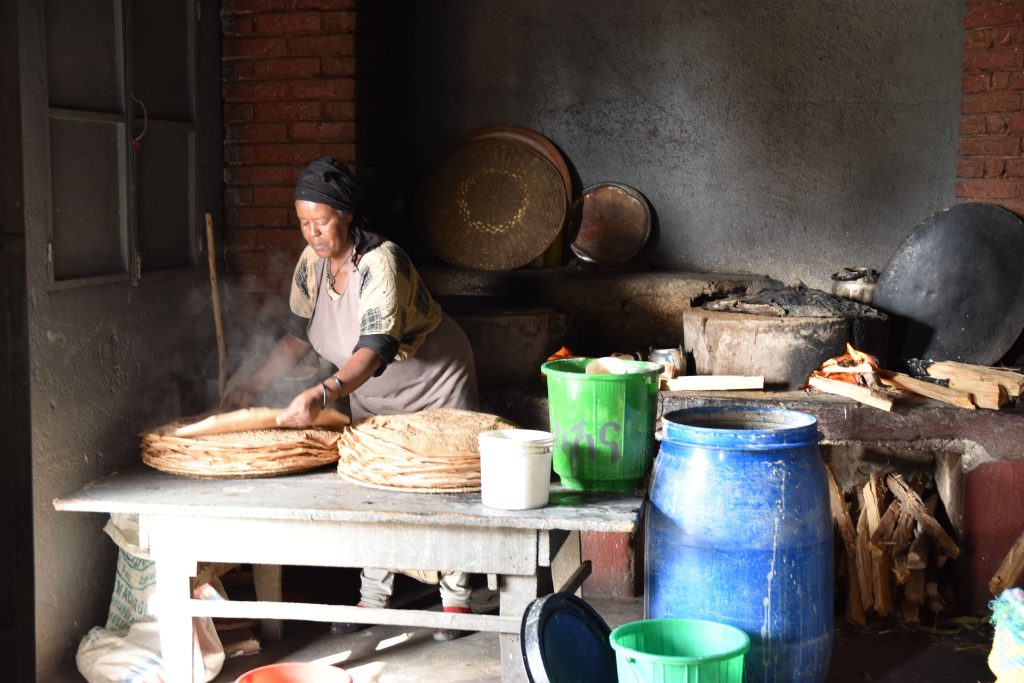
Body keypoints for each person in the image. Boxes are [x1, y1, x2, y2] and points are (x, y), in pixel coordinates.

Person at [224, 157, 479, 641]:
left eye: (321, 222)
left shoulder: (382, 262)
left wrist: (325, 391)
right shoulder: (312, 266)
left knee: (443, 486)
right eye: (303, 223)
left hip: (434, 382)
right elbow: (296, 336)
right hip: (371, 392)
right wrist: (251, 384)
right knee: (373, 486)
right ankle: (374, 599)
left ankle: (456, 601)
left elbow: (376, 346)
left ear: (346, 215)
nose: (312, 233)